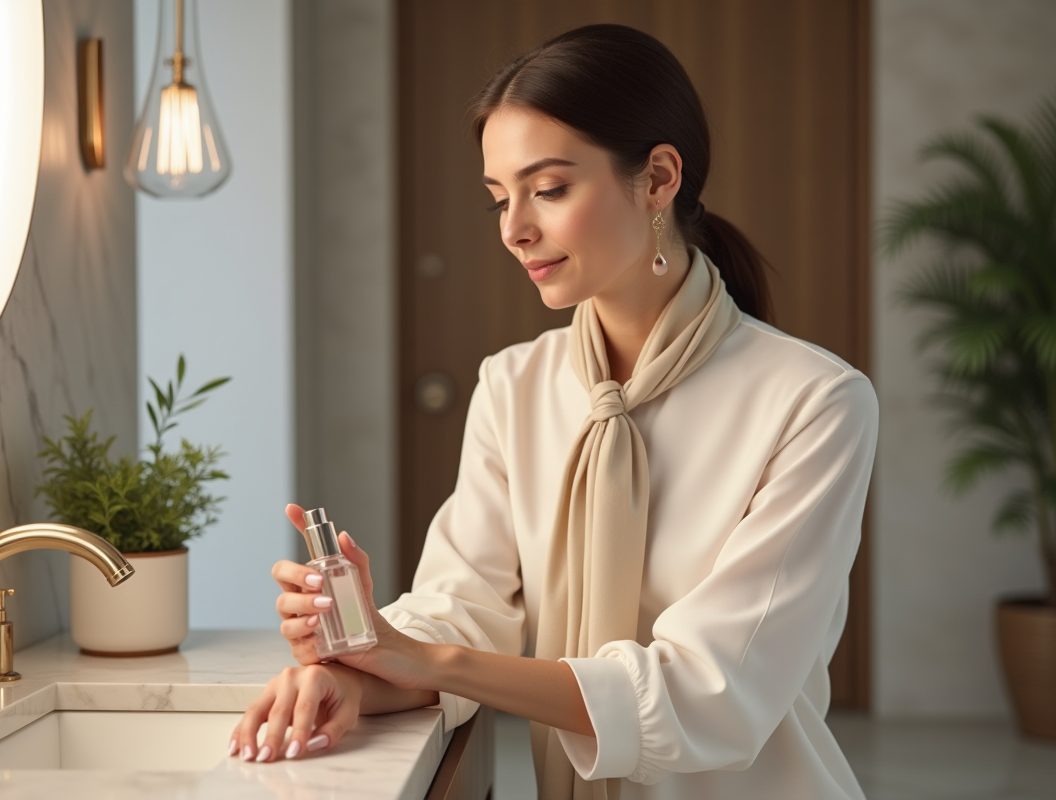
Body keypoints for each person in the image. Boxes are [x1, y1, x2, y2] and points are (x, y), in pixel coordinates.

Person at [231, 23, 876, 800]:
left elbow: (712, 692)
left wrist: (426, 660)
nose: (514, 229)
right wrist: (357, 668)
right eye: (499, 199)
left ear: (659, 178)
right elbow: (464, 607)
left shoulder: (815, 402)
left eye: (549, 189)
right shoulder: (514, 385)